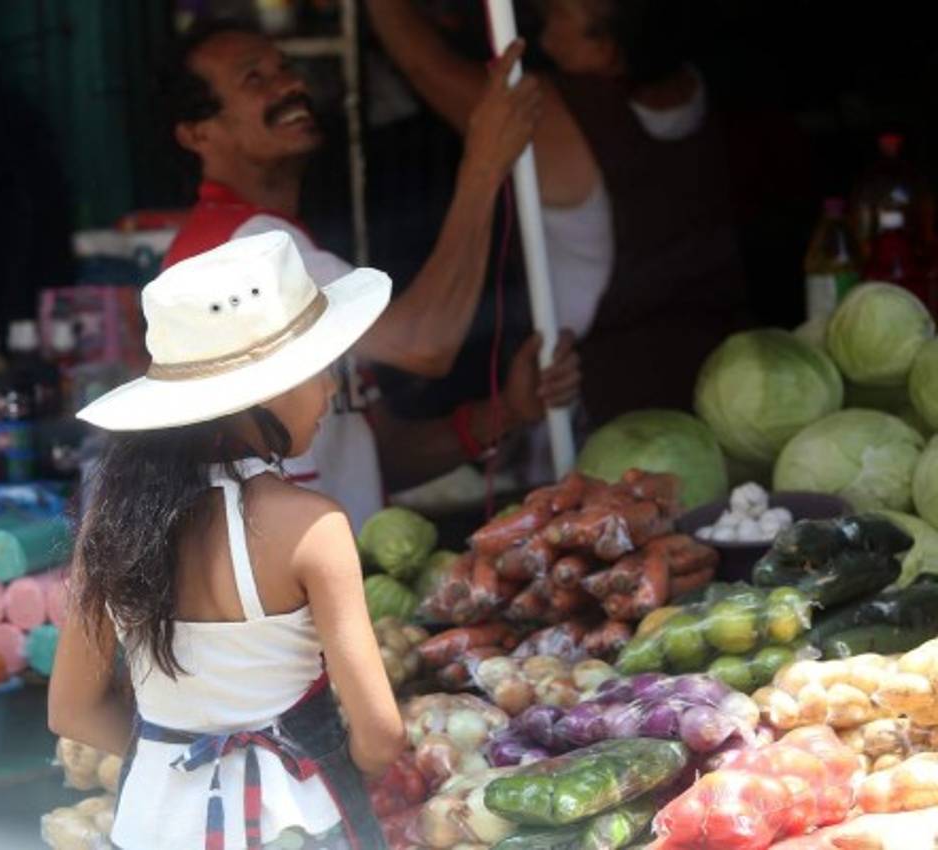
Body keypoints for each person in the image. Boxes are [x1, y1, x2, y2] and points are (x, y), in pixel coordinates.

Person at [49, 232, 404, 849]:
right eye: (319, 371)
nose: (330, 392)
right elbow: (380, 735)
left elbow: (72, 711)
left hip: (152, 826)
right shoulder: (312, 527)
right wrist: (318, 762)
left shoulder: (109, 526)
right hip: (293, 823)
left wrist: (178, 749)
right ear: (261, 390)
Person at [157, 22, 580, 527]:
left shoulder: (282, 239)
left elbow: (375, 455)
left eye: (285, 68)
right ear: (196, 133)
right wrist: (484, 164)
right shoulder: (239, 247)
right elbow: (425, 343)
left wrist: (505, 413)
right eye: (254, 79)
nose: (290, 86)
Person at [366, 0, 748, 428]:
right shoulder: (692, 89)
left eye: (559, 13)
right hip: (718, 381)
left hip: (600, 400)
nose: (543, 21)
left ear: (604, 50)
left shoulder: (551, 113)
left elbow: (425, 66)